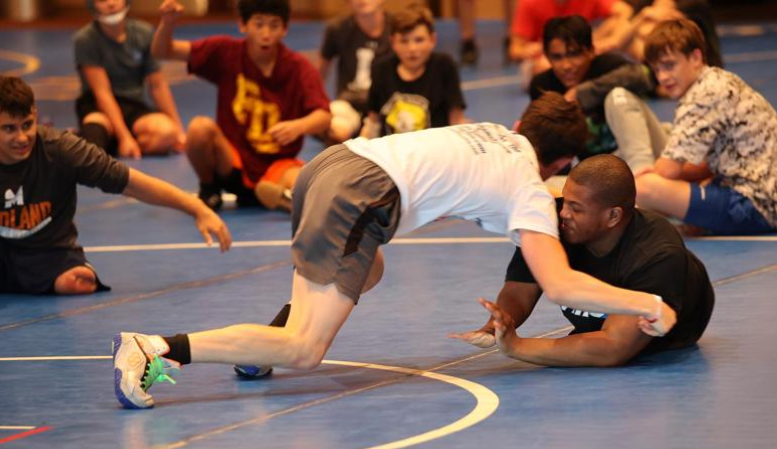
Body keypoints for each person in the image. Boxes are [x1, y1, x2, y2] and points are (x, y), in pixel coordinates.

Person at [111, 92, 678, 409]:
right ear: (558, 166)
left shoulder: (488, 131)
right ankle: (155, 348)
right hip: (360, 196)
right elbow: (559, 285)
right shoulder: (529, 183)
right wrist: (646, 303)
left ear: (519, 125)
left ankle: (259, 348)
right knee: (307, 350)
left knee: (369, 269)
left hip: (329, 166)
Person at [0, 76, 231, 296]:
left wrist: (195, 207)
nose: (22, 137)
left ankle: (59, 275)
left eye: (27, 124)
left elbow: (130, 182)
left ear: (35, 114)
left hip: (47, 256)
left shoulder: (60, 149)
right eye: (9, 129)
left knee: (79, 284)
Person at [451, 154, 714, 367]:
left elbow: (613, 347)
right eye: (565, 200)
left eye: (576, 208)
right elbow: (520, 291)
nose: (563, 213)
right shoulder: (555, 220)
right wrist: (500, 324)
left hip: (659, 349)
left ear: (612, 216)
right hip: (601, 330)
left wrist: (517, 346)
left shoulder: (657, 255)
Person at [617, 19, 777, 235]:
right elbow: (704, 166)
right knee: (664, 185)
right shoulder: (716, 80)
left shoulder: (703, 95)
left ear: (695, 57)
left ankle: (628, 237)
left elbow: (668, 171)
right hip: (764, 201)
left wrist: (647, 176)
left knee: (646, 187)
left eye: (669, 65)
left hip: (754, 205)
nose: (662, 77)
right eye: (656, 69)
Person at [151, 0, 331, 212]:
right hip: (232, 163)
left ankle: (284, 196)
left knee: (306, 182)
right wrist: (168, 23)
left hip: (277, 166)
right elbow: (163, 52)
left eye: (274, 25)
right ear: (243, 25)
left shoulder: (300, 67)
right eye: (258, 24)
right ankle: (209, 189)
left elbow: (324, 116)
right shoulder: (225, 52)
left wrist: (298, 126)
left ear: (284, 29)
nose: (266, 33)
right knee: (199, 128)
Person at [529, 15, 655, 159]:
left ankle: (642, 165)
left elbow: (644, 75)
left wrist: (583, 93)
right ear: (547, 56)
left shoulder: (607, 67)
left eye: (574, 54)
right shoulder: (542, 86)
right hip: (588, 167)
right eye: (557, 57)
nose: (566, 65)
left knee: (618, 95)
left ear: (590, 51)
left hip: (630, 155)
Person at [74, 0, 186, 158]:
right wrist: (124, 137)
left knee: (168, 133)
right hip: (98, 106)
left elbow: (158, 86)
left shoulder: (144, 33)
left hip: (133, 105)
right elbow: (103, 94)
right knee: (94, 139)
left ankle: (110, 145)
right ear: (93, 5)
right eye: (102, 0)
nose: (111, 4)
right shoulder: (85, 39)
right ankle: (101, 139)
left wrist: (179, 131)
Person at [362, 3, 467, 138]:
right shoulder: (381, 69)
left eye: (419, 40)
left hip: (433, 151)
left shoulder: (444, 66)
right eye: (404, 41)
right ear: (393, 42)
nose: (412, 49)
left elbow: (456, 120)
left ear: (432, 40)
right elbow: (373, 122)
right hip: (390, 154)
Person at [318, 0, 392, 142]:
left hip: (387, 105)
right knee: (335, 128)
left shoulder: (397, 27)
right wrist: (319, 106)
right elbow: (321, 72)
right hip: (349, 104)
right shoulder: (338, 29)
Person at [509, 0, 633, 82]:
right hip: (541, 58)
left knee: (619, 25)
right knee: (543, 66)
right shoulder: (530, 3)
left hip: (581, 50)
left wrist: (614, 39)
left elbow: (625, 11)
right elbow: (515, 49)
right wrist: (526, 50)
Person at [594, 0, 723, 68]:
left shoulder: (692, 4)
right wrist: (644, 15)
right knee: (616, 26)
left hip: (702, 65)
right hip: (667, 64)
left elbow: (650, 31)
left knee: (644, 32)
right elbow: (619, 41)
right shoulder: (646, 4)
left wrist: (642, 22)